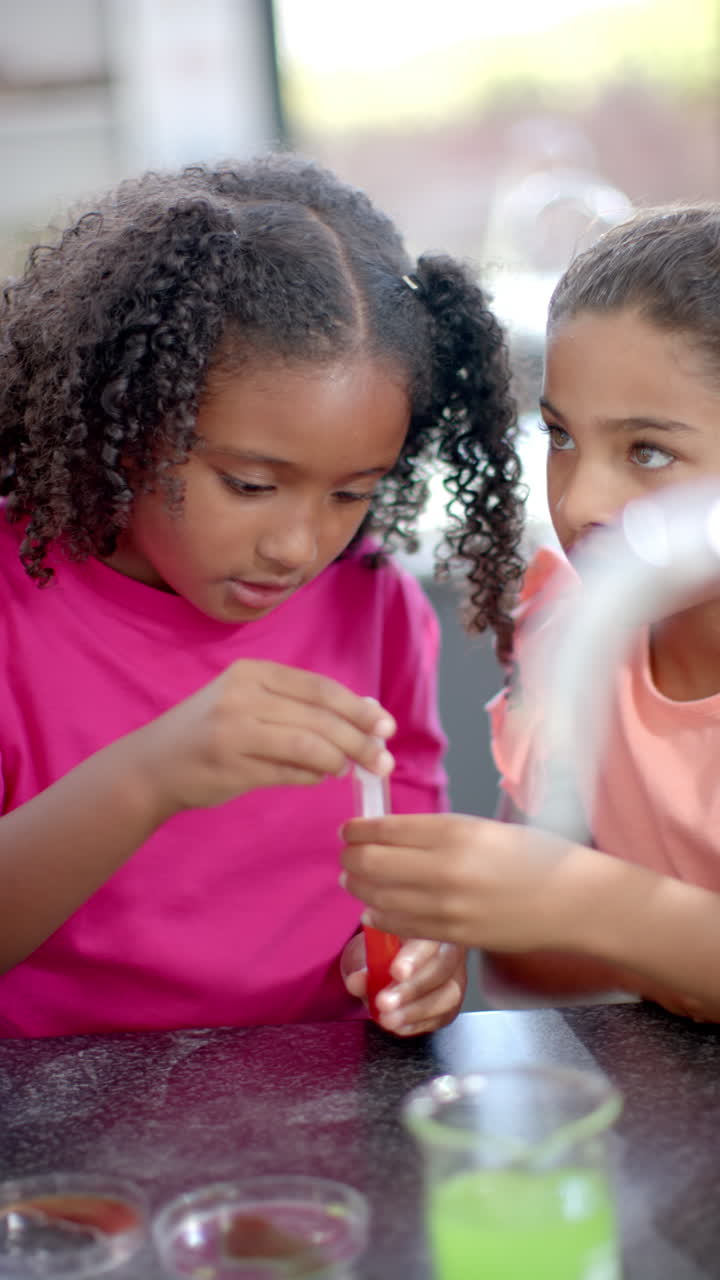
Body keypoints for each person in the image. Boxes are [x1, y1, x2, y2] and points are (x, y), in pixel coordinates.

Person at [0, 154, 523, 1038]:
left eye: (352, 493)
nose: (298, 546)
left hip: (321, 1105)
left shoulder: (374, 604)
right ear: (126, 417)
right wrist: (150, 776)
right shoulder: (18, 610)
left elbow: (408, 872)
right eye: (248, 484)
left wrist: (425, 955)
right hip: (66, 1131)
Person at [341, 203, 720, 1023]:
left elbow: (579, 907)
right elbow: (535, 970)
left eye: (648, 451)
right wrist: (453, 928)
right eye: (561, 436)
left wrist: (589, 903)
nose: (581, 501)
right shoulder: (572, 629)